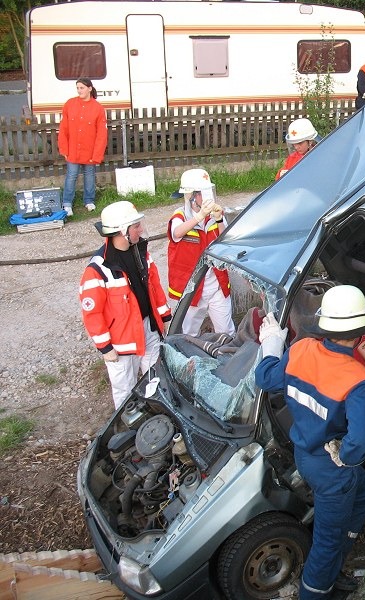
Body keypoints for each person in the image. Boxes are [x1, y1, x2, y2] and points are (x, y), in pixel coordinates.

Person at [255, 285, 365, 599]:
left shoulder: (302, 349)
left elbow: (266, 378)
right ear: (360, 331)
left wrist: (271, 342)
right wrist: (347, 457)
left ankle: (335, 561)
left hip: (305, 455)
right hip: (332, 469)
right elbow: (361, 439)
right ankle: (315, 590)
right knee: (326, 540)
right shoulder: (358, 378)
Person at [79, 201, 171, 409]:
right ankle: (126, 420)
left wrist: (164, 317)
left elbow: (154, 288)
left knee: (155, 375)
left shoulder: (141, 253)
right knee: (125, 387)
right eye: (136, 226)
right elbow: (92, 313)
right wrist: (105, 348)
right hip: (122, 342)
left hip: (148, 328)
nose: (141, 229)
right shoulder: (97, 270)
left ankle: (154, 413)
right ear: (122, 231)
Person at [167, 168, 234, 337]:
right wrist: (198, 217)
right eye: (203, 193)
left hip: (216, 283)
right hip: (192, 287)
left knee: (226, 331)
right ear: (191, 197)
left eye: (209, 191)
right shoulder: (179, 217)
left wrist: (218, 219)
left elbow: (226, 240)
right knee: (188, 333)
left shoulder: (214, 216)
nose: (208, 197)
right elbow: (176, 234)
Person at [58, 77, 108, 217]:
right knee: (71, 175)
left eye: (82, 88)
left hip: (90, 149)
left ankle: (89, 201)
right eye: (78, 88)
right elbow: (64, 128)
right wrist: (64, 148)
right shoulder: (70, 104)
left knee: (89, 175)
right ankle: (67, 203)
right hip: (73, 149)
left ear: (89, 88)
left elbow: (101, 133)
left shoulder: (98, 108)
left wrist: (97, 153)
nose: (79, 90)